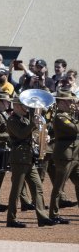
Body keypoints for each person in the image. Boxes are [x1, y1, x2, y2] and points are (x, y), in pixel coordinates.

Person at [5, 95, 55, 228]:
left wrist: (44, 137)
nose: (26, 108)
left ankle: (42, 217)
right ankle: (11, 219)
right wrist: (34, 123)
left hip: (29, 157)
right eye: (23, 105)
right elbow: (21, 134)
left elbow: (31, 135)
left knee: (37, 187)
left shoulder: (25, 120)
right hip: (19, 158)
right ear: (16, 106)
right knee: (16, 190)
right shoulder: (12, 120)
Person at [0, 92, 34, 211]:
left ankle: (25, 201)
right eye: (6, 101)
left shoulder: (6, 114)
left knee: (18, 176)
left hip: (10, 148)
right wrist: (7, 135)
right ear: (0, 102)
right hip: (2, 147)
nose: (8, 103)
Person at [48, 89, 79, 224]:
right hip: (65, 154)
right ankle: (53, 214)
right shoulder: (60, 117)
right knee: (59, 186)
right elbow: (74, 129)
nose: (71, 104)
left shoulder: (68, 115)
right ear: (60, 102)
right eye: (68, 101)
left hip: (75, 154)